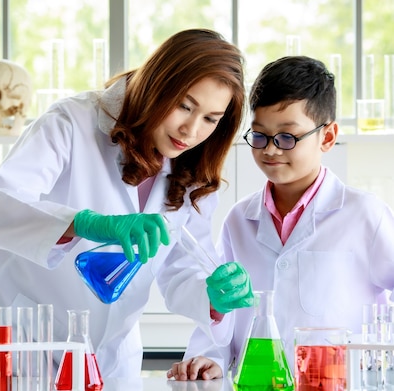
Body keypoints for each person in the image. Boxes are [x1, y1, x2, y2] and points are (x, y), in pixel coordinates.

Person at [0, 28, 254, 378]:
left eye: (210, 118)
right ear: (156, 85)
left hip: (111, 357)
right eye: (184, 105)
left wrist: (213, 298)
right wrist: (87, 223)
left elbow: (182, 266)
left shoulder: (191, 170)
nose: (190, 131)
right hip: (24, 346)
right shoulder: (73, 122)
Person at [166, 55, 394, 381]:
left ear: (327, 137)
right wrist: (210, 357)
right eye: (259, 136)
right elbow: (223, 311)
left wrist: (378, 360)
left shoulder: (364, 215)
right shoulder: (239, 220)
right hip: (258, 384)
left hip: (337, 383)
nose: (270, 151)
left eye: (287, 137)